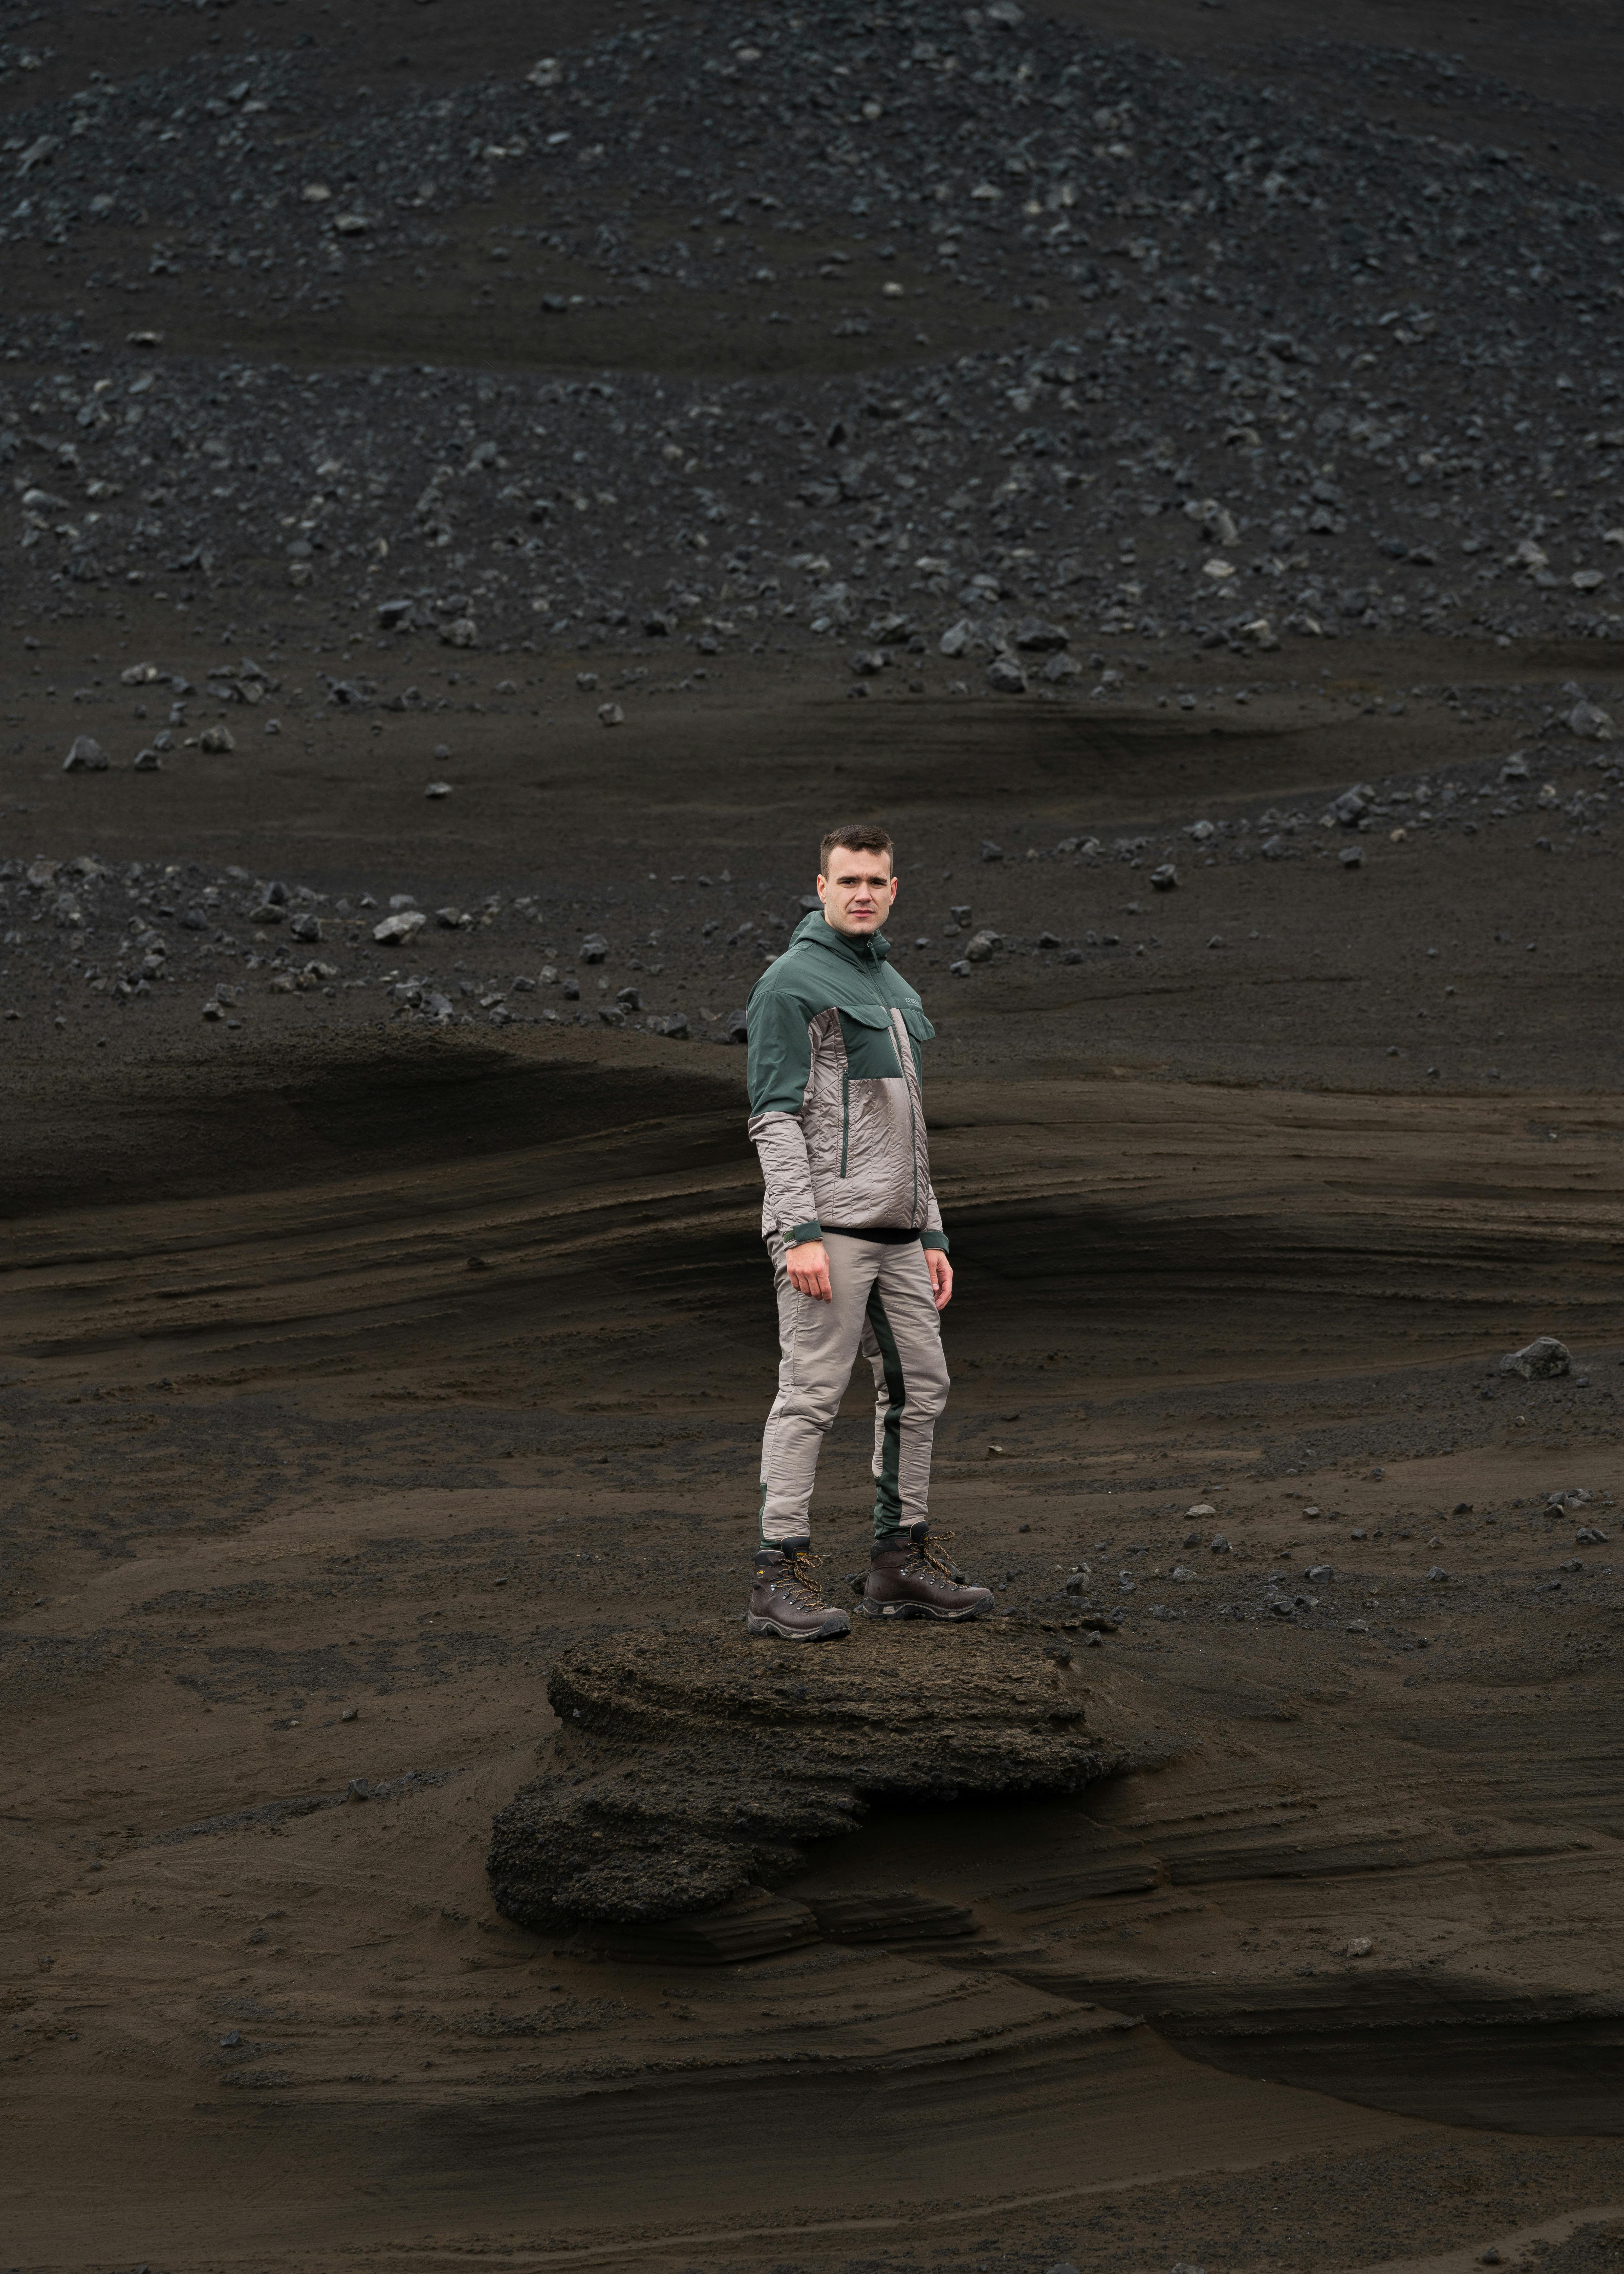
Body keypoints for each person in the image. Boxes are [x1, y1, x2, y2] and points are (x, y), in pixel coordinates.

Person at [742, 823, 994, 1641]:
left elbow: (909, 1127)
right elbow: (774, 1118)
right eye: (846, 878)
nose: (861, 892)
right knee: (810, 1396)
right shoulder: (789, 983)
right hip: (830, 1232)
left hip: (899, 1233)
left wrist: (933, 1232)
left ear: (894, 892)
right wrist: (799, 1229)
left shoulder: (893, 984)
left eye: (874, 881)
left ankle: (897, 1565)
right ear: (819, 887)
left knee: (921, 1388)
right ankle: (774, 1579)